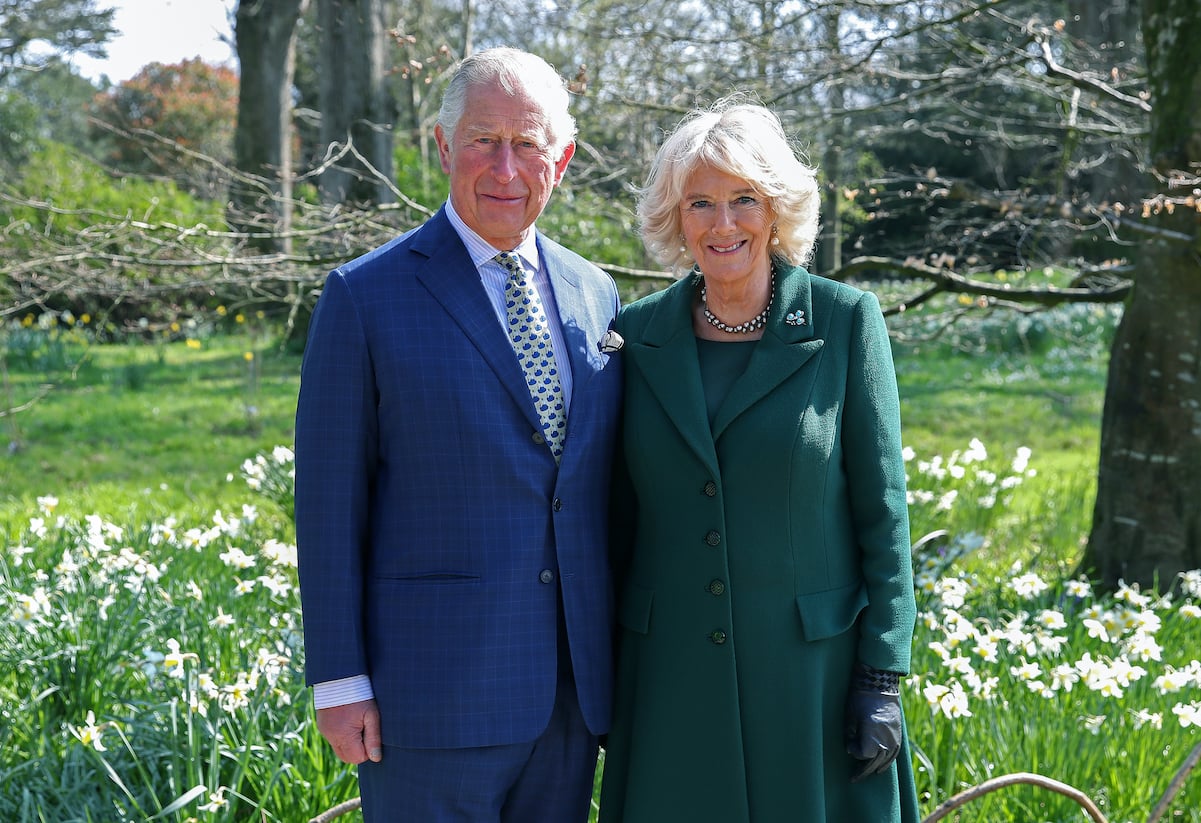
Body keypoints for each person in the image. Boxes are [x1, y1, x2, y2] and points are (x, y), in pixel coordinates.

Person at [294, 47, 623, 822]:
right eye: (482, 140)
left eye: (527, 143)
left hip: (571, 699)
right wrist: (339, 680)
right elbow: (328, 504)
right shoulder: (364, 297)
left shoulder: (596, 292)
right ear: (441, 147)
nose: (504, 167)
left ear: (562, 159)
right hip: (429, 700)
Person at [599, 98, 921, 822]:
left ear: (775, 208)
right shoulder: (632, 337)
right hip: (669, 676)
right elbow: (616, 521)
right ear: (674, 218)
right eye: (700, 203)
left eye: (743, 198)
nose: (723, 224)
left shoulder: (842, 321)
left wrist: (881, 673)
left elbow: (884, 512)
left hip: (812, 676)